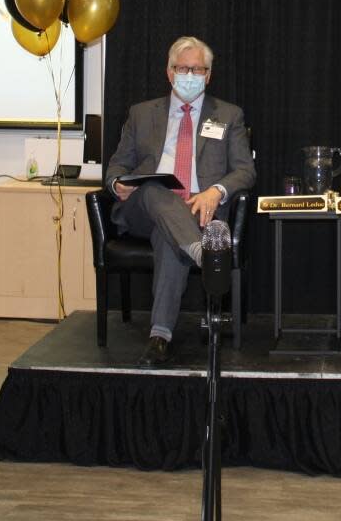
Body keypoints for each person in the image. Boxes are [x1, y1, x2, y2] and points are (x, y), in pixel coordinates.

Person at [105, 36, 256, 366]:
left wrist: (216, 190)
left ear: (208, 75)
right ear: (170, 73)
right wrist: (117, 183)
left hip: (198, 210)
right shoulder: (142, 114)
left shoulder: (228, 115)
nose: (190, 74)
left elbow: (245, 171)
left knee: (168, 234)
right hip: (143, 207)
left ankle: (159, 336)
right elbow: (117, 163)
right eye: (183, 68)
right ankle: (203, 253)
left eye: (197, 69)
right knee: (158, 187)